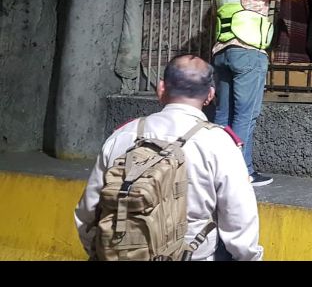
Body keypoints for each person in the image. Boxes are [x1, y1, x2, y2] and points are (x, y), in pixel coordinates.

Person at [74, 54, 264, 261]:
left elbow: (88, 212)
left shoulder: (123, 135)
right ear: (210, 95)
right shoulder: (220, 143)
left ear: (161, 88)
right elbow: (240, 223)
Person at [212, 0, 309, 185]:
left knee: (223, 116)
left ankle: (216, 171)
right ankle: (242, 172)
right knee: (245, 115)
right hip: (248, 53)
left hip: (221, 51)